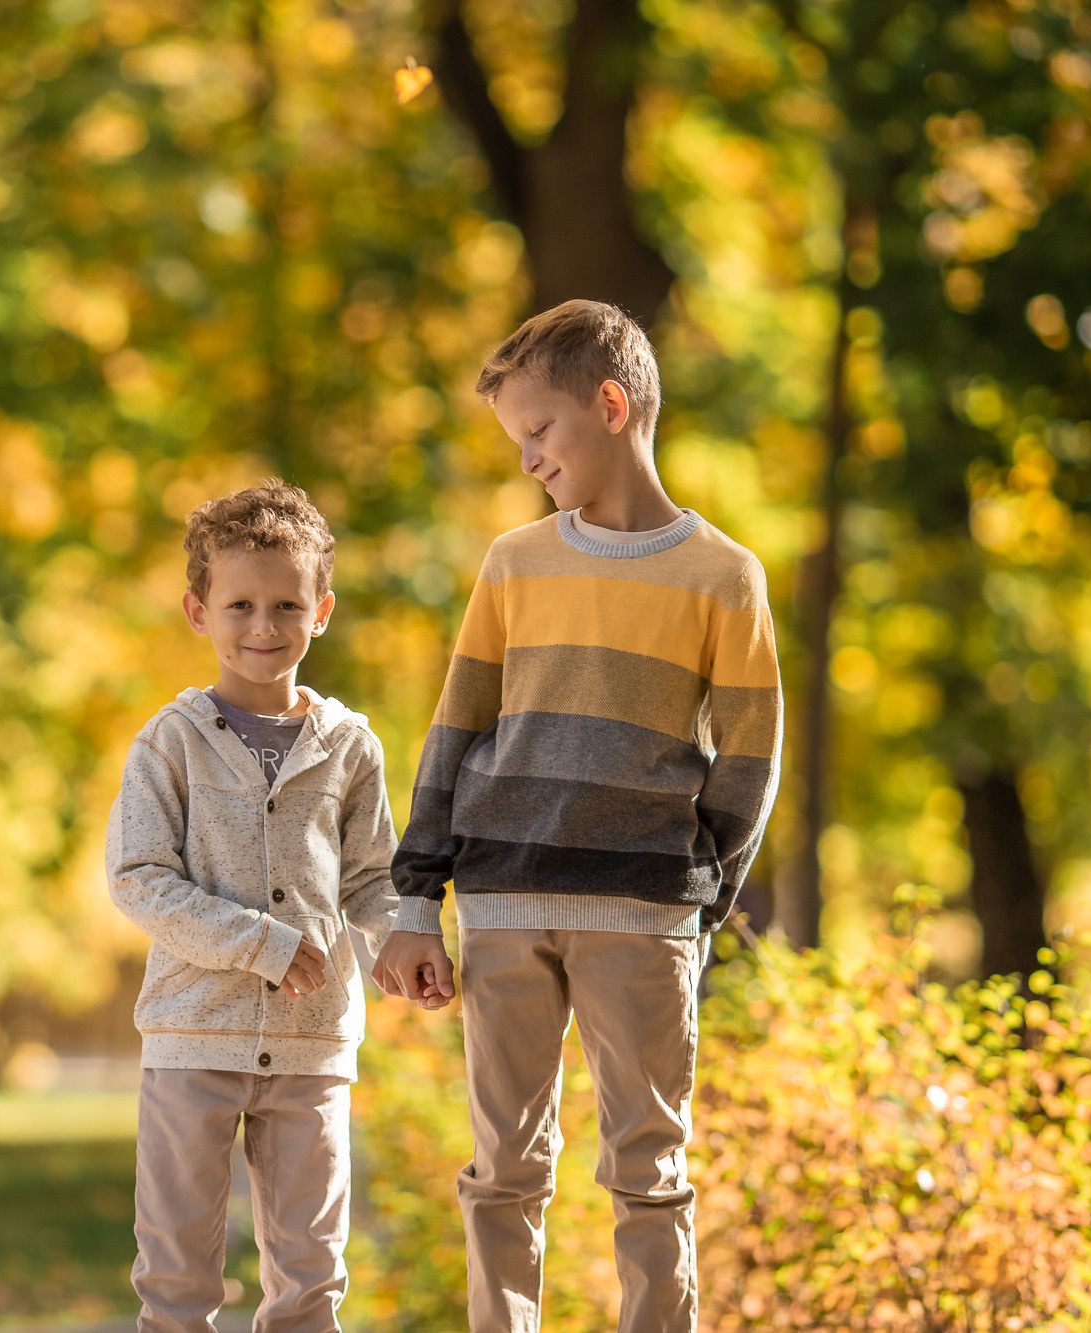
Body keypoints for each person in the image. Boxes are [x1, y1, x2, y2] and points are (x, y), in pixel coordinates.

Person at [371, 300, 784, 1332]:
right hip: (502, 903)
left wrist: (700, 897)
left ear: (609, 404)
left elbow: (750, 758)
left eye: (537, 431)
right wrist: (417, 903)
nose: (526, 460)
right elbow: (455, 729)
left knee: (649, 1168)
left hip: (641, 916)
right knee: (502, 1168)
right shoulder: (514, 562)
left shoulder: (724, 577)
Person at [107, 481, 401, 1333]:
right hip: (192, 1035)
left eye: (287, 605)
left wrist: (401, 939)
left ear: (322, 612)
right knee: (176, 1275)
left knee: (311, 1278)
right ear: (199, 612)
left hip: (313, 1044)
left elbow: (372, 877)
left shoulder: (350, 746)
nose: (264, 625)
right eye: (240, 604)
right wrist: (259, 942)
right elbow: (138, 877)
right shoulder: (170, 742)